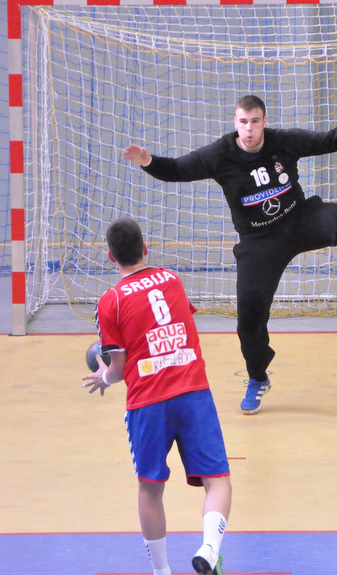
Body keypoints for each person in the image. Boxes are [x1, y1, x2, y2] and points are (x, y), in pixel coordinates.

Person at [122, 93, 337, 415]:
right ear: (235, 123)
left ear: (264, 121)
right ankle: (257, 377)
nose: (249, 129)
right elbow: (178, 169)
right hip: (259, 241)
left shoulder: (284, 141)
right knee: (249, 319)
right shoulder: (220, 154)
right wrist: (149, 162)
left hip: (299, 220)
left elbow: (331, 140)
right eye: (243, 122)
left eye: (255, 122)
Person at [82, 217, 232, 575]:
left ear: (111, 256)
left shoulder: (110, 301)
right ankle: (209, 550)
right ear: (145, 249)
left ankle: (162, 571)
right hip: (192, 390)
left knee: (150, 489)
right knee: (217, 480)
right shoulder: (171, 279)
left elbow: (119, 368)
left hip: (148, 402)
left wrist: (104, 377)